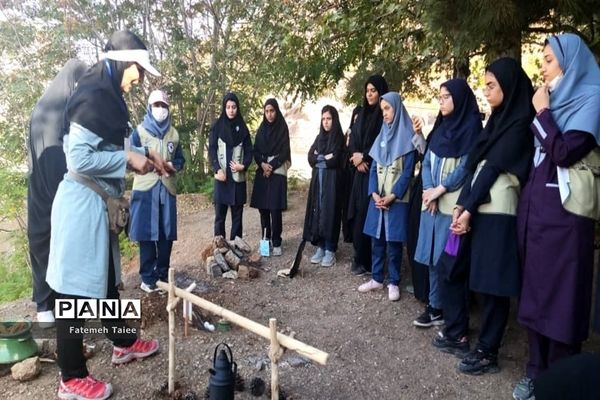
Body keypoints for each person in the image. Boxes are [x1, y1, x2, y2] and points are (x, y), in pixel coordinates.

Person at [46, 30, 171, 400]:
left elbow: (118, 145)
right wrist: (126, 160)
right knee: (74, 292)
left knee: (104, 282)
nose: (140, 78)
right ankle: (70, 377)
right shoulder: (94, 96)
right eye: (137, 69)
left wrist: (147, 158)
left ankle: (122, 342)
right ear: (122, 62)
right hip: (81, 204)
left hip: (97, 206)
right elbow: (79, 158)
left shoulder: (111, 98)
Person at [512, 34, 600, 400]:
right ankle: (535, 372)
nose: (542, 68)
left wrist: (543, 113)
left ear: (570, 62)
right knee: (535, 293)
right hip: (537, 216)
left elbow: (564, 151)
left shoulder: (592, 99)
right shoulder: (556, 102)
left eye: (548, 60)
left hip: (566, 222)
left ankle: (559, 380)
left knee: (563, 298)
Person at [449, 57, 534, 375]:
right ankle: (480, 343)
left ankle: (488, 351)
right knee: (479, 279)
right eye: (484, 85)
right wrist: (462, 204)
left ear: (508, 87)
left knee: (493, 282)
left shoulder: (520, 123)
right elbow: (475, 167)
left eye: (491, 85)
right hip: (480, 208)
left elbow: (494, 167)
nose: (485, 91)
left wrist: (467, 208)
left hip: (499, 212)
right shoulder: (496, 122)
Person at [412, 79, 481, 328]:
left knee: (448, 259)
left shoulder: (472, 128)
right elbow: (428, 159)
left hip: (451, 206)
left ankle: (450, 312)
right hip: (430, 203)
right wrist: (429, 190)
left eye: (446, 96)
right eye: (439, 97)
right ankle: (434, 307)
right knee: (431, 257)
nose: (441, 101)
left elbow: (466, 167)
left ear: (459, 98)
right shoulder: (441, 127)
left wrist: (439, 191)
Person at [26, 59, 87, 326]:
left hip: (39, 189)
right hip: (53, 190)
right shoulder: (52, 114)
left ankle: (47, 306)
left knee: (43, 241)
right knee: (53, 243)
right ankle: (49, 306)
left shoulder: (43, 109)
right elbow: (56, 160)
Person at [357, 92, 417, 301]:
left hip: (396, 201)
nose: (384, 114)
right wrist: (374, 194)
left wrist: (392, 196)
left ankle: (393, 281)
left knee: (394, 243)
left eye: (387, 109)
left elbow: (408, 173)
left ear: (397, 108)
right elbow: (373, 168)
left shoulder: (408, 138)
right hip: (378, 199)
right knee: (377, 240)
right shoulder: (381, 135)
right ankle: (376, 278)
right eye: (382, 110)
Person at [129, 90, 185, 293]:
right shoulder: (139, 132)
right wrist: (147, 164)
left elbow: (181, 160)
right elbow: (128, 158)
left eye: (163, 106)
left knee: (165, 234)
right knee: (146, 233)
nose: (160, 109)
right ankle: (147, 277)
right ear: (149, 108)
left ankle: (163, 274)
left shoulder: (174, 134)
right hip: (145, 190)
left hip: (167, 189)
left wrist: (173, 165)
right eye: (156, 105)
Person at [347, 75, 389, 276]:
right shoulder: (362, 114)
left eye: (373, 90)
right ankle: (359, 257)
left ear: (381, 92)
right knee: (357, 215)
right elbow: (353, 139)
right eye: (368, 90)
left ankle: (372, 261)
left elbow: (382, 144)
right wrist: (357, 158)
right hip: (359, 174)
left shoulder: (384, 117)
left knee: (369, 216)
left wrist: (364, 157)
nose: (370, 94)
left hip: (375, 174)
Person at [303, 105, 345, 267]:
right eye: (323, 119)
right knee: (318, 211)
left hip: (332, 182)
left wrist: (320, 159)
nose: (326, 122)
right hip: (318, 181)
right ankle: (320, 245)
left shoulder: (338, 139)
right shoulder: (319, 138)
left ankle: (330, 248)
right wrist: (324, 157)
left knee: (330, 211)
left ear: (334, 120)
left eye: (329, 119)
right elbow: (310, 157)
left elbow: (335, 160)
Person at [208, 92, 253, 240]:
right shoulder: (217, 127)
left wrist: (243, 166)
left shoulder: (243, 128)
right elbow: (212, 149)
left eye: (234, 107)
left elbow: (249, 152)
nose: (231, 110)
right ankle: (219, 249)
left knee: (237, 218)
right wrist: (217, 169)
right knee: (219, 217)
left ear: (237, 108)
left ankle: (236, 247)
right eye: (228, 107)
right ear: (224, 108)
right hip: (222, 178)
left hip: (237, 179)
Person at [250, 98, 291, 256]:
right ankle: (265, 240)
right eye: (266, 111)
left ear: (276, 111)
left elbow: (284, 150)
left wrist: (271, 165)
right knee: (263, 208)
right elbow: (256, 150)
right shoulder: (261, 129)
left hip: (277, 169)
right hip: (263, 169)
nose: (269, 114)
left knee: (275, 207)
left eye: (272, 110)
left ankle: (277, 241)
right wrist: (262, 164)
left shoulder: (282, 127)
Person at [340, 105, 362, 243]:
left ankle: (356, 233)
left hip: (358, 174)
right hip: (347, 174)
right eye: (355, 120)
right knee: (346, 204)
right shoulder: (347, 133)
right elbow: (342, 152)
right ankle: (347, 233)